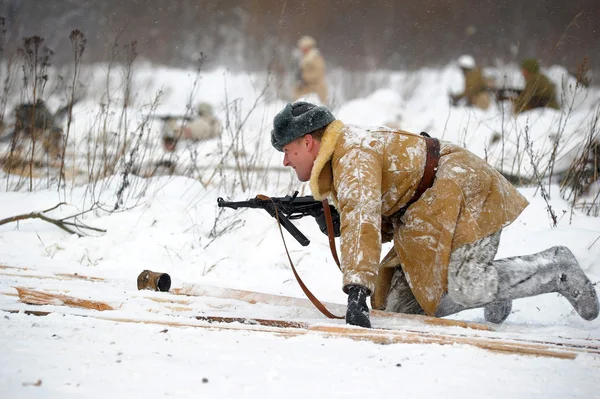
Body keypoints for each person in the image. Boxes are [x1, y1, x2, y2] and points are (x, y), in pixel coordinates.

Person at [271, 101, 599, 328]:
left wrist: (357, 290)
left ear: (308, 141)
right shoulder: (343, 155)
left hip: (462, 189)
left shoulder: (352, 154)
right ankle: (495, 286)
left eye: (287, 151)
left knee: (464, 287)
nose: (286, 161)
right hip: (426, 212)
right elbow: (379, 209)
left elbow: (363, 221)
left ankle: (555, 269)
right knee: (396, 311)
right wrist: (333, 218)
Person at [293, 36, 328, 104]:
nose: (301, 49)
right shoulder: (305, 57)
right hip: (307, 88)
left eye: (303, 47)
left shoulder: (314, 57)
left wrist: (304, 78)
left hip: (315, 89)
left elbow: (318, 72)